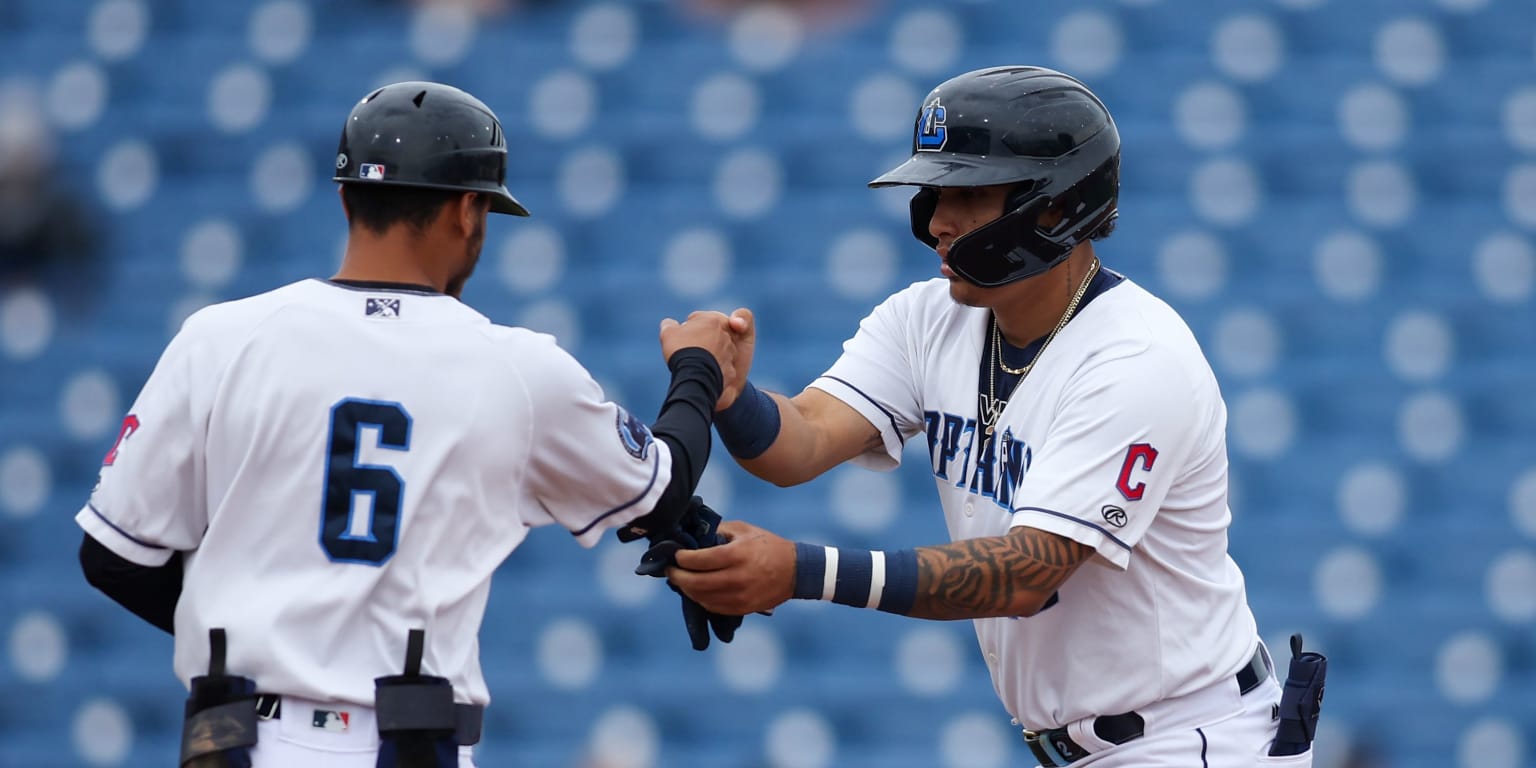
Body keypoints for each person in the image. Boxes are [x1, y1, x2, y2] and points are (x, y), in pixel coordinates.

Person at [75, 81, 743, 768]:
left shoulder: (217, 338)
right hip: (403, 742)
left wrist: (269, 635)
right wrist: (699, 367)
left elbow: (112, 558)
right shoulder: (512, 366)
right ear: (466, 211)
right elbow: (662, 488)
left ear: (345, 199)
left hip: (237, 740)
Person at [662, 66, 1313, 766]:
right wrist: (732, 394)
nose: (939, 220)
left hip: (1192, 739)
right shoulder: (927, 319)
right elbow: (799, 443)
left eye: (968, 193)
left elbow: (1025, 574)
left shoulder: (1137, 356)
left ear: (1055, 208)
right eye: (936, 192)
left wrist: (800, 572)